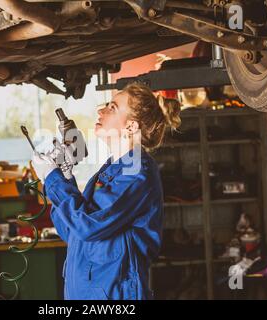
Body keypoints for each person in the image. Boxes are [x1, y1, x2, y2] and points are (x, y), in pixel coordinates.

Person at [32, 82, 181, 300]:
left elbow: (88, 225)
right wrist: (64, 177)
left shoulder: (137, 172)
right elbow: (73, 233)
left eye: (112, 107)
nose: (100, 111)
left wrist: (52, 179)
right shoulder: (111, 169)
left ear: (131, 127)